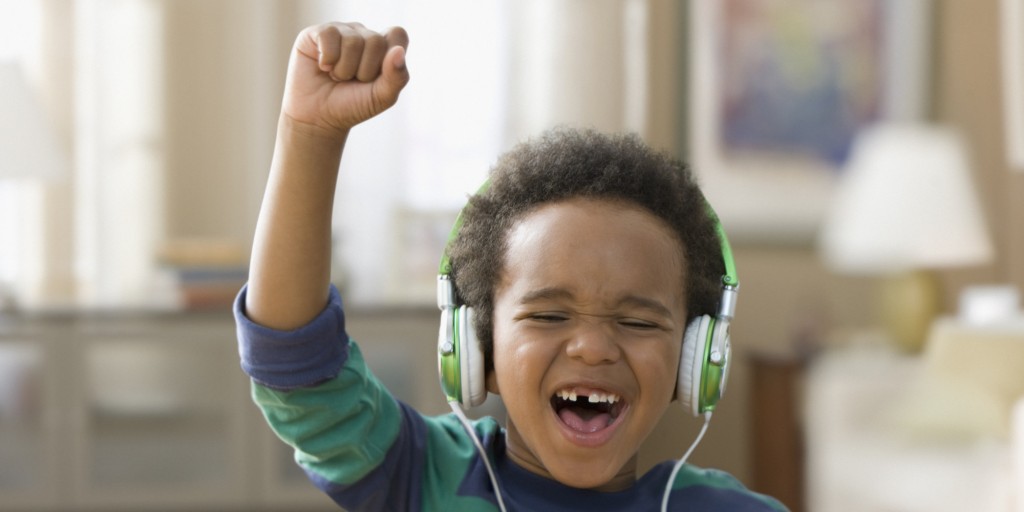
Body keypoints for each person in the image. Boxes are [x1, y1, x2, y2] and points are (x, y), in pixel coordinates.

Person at [235, 21, 788, 511]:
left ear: (694, 364)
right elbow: (296, 368)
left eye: (639, 322)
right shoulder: (422, 476)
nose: (592, 348)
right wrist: (310, 135)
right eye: (548, 315)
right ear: (479, 349)